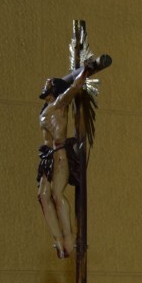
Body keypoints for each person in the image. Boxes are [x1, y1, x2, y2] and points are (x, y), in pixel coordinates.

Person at [37, 65, 91, 259]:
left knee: (57, 194)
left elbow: (74, 88)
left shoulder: (60, 104)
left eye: (48, 84)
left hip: (60, 154)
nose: (45, 86)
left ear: (54, 89)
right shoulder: (45, 109)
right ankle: (58, 240)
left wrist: (85, 71)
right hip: (47, 156)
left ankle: (68, 238)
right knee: (43, 196)